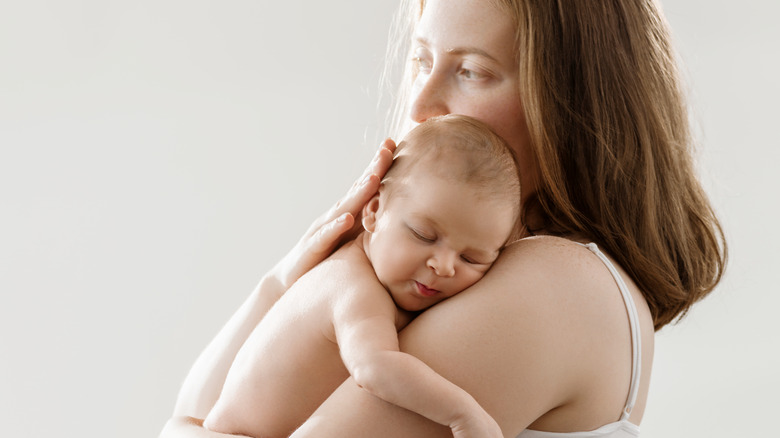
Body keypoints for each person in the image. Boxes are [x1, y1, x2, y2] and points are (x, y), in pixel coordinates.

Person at [161, 0, 727, 437]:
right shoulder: (477, 279)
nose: (420, 105)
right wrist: (284, 281)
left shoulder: (554, 286)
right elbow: (198, 415)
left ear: (569, 102)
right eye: (422, 60)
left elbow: (193, 421)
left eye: (473, 72)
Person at [202, 115, 520, 438]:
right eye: (424, 235)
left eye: (471, 258)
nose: (444, 266)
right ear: (374, 210)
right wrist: (462, 413)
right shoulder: (351, 285)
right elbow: (374, 367)